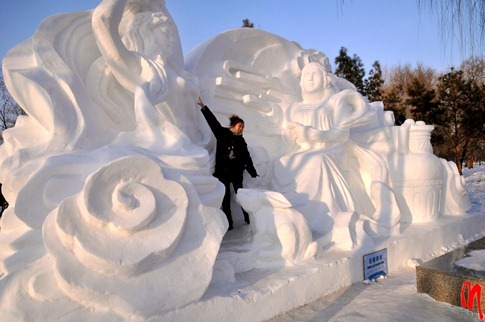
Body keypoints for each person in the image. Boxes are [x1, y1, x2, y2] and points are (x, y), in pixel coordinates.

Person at [197, 97, 258, 230]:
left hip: (236, 174)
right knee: (225, 200)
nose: (241, 128)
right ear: (233, 125)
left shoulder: (241, 141)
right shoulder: (222, 133)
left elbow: (247, 157)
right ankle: (229, 224)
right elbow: (213, 123)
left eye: (243, 127)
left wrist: (252, 171)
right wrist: (204, 108)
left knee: (241, 196)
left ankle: (248, 219)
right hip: (223, 173)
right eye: (240, 126)